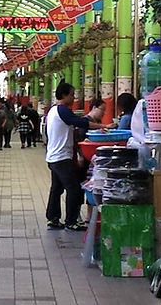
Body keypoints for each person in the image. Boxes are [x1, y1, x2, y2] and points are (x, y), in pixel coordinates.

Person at [45, 81, 107, 231]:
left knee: (57, 188)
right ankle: (71, 221)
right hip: (61, 157)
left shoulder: (52, 111)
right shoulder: (62, 110)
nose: (74, 98)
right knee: (74, 189)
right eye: (72, 95)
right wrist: (102, 126)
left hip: (53, 156)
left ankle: (53, 218)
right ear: (64, 95)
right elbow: (81, 122)